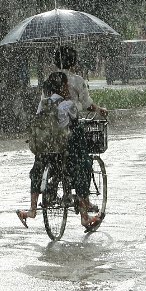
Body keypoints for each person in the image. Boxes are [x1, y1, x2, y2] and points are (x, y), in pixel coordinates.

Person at [54, 46, 107, 228]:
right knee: (83, 165)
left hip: (50, 132)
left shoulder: (48, 81)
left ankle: (58, 187)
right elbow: (86, 104)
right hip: (71, 130)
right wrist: (99, 110)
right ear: (74, 62)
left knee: (56, 159)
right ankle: (84, 215)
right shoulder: (76, 81)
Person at [16, 72, 77, 227]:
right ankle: (71, 193)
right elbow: (75, 124)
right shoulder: (68, 104)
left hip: (43, 149)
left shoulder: (43, 103)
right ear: (63, 87)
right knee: (70, 164)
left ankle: (32, 209)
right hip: (59, 149)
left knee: (36, 172)